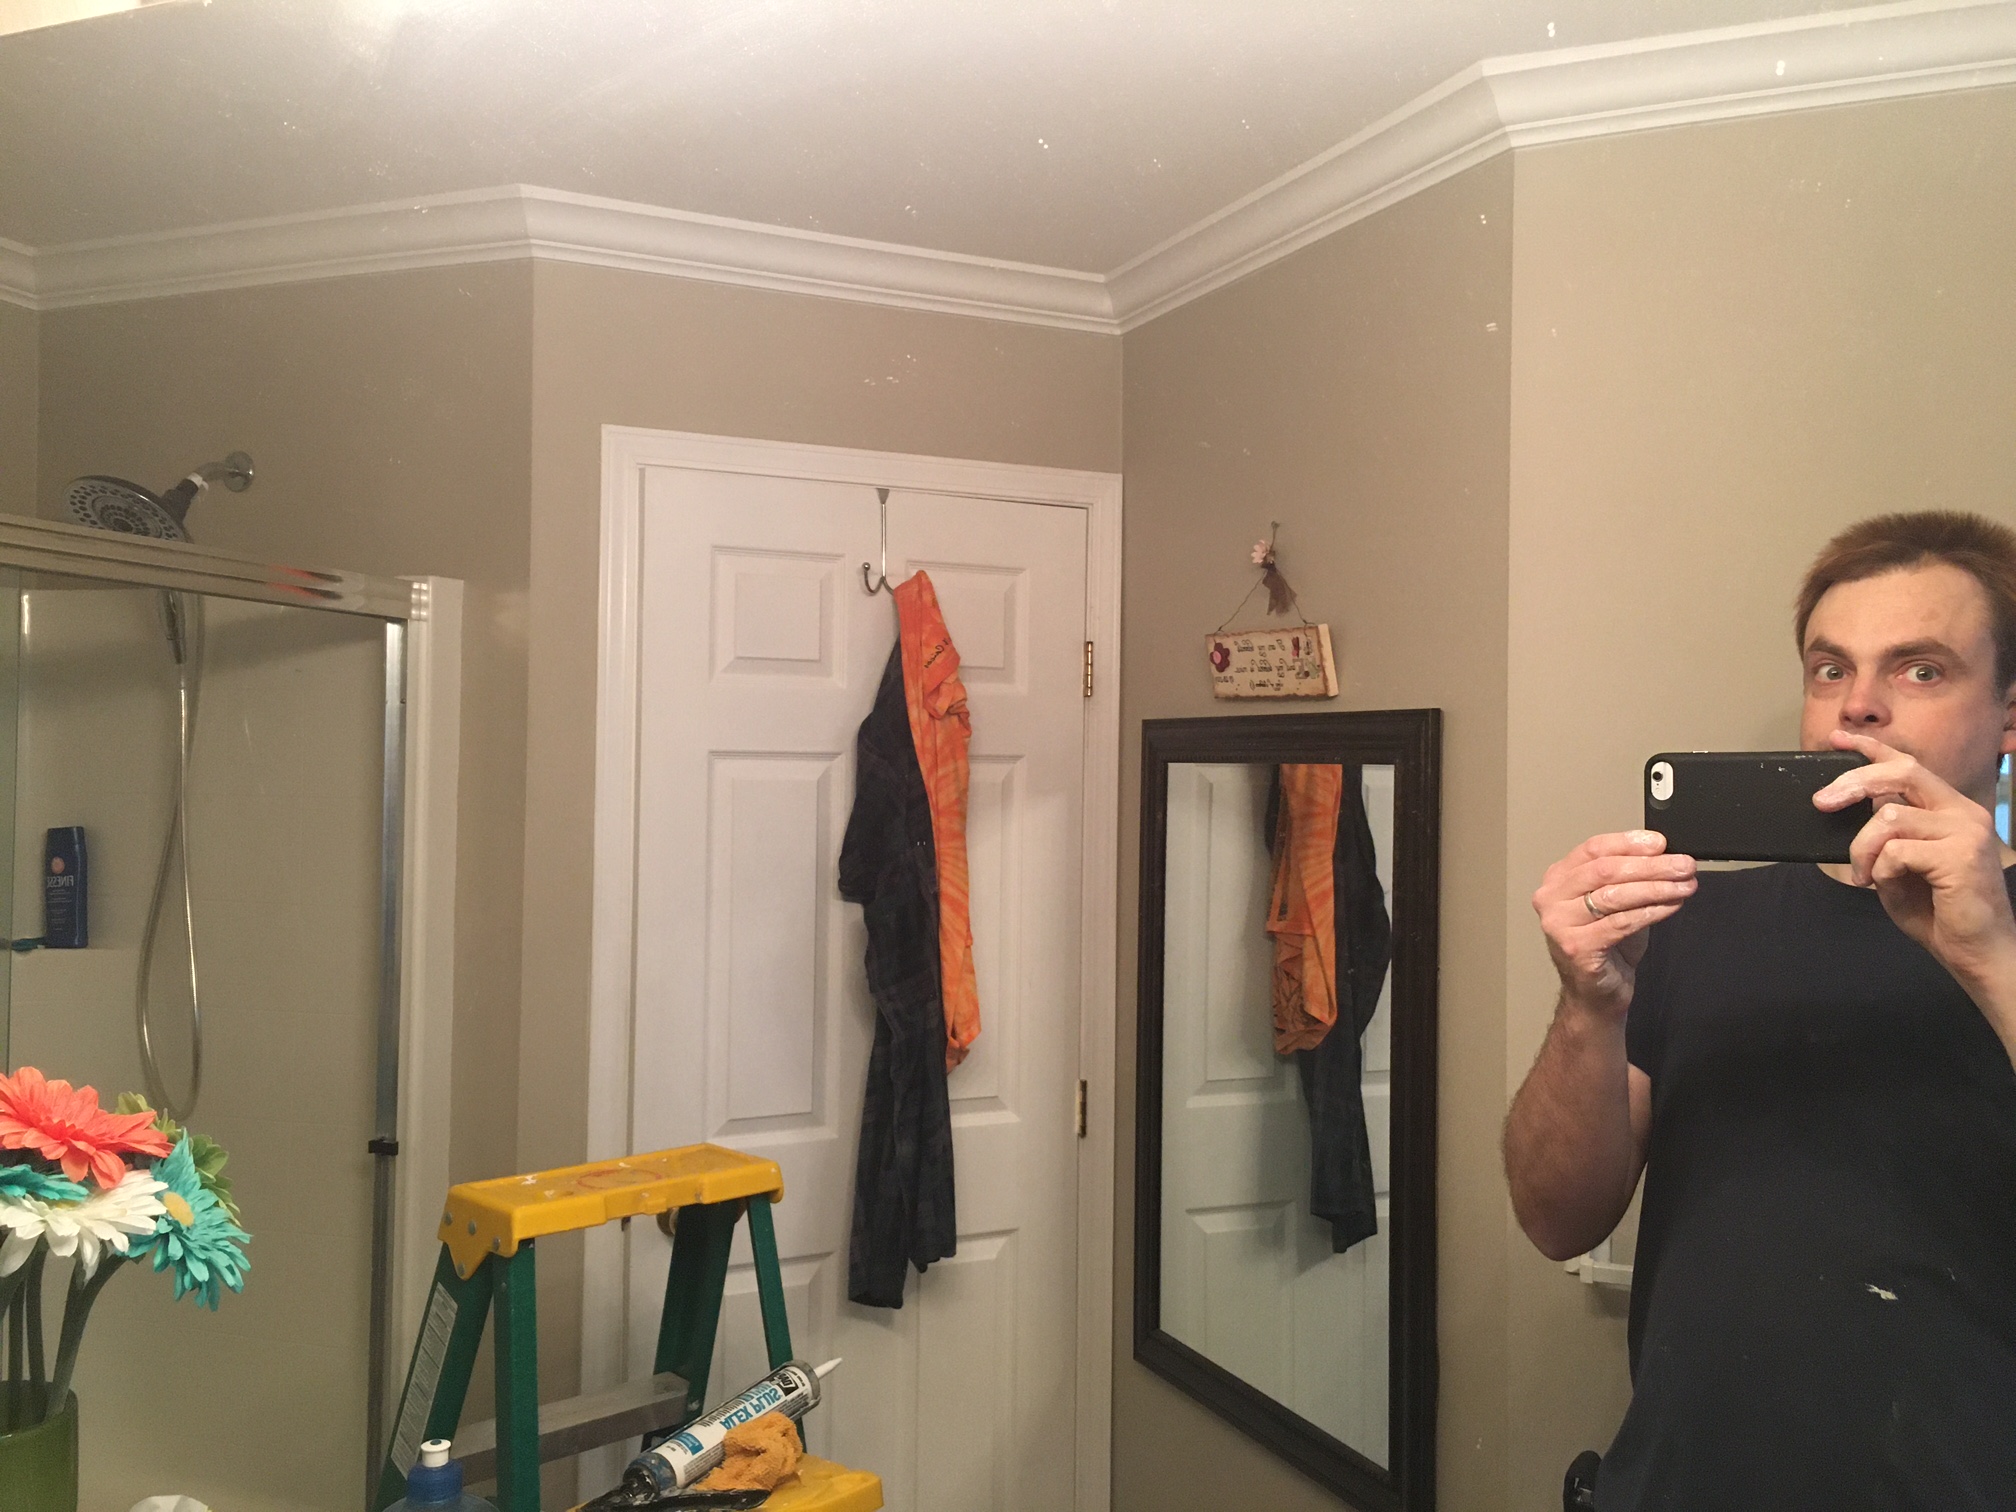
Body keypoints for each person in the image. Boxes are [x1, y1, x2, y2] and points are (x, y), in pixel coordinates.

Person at [1504, 511, 2016, 1510]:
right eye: (1830, 669)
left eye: (1920, 669)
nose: (1858, 706)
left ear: (2007, 715)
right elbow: (1555, 1220)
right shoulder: (1693, 923)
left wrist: (1990, 955)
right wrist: (1587, 1009)